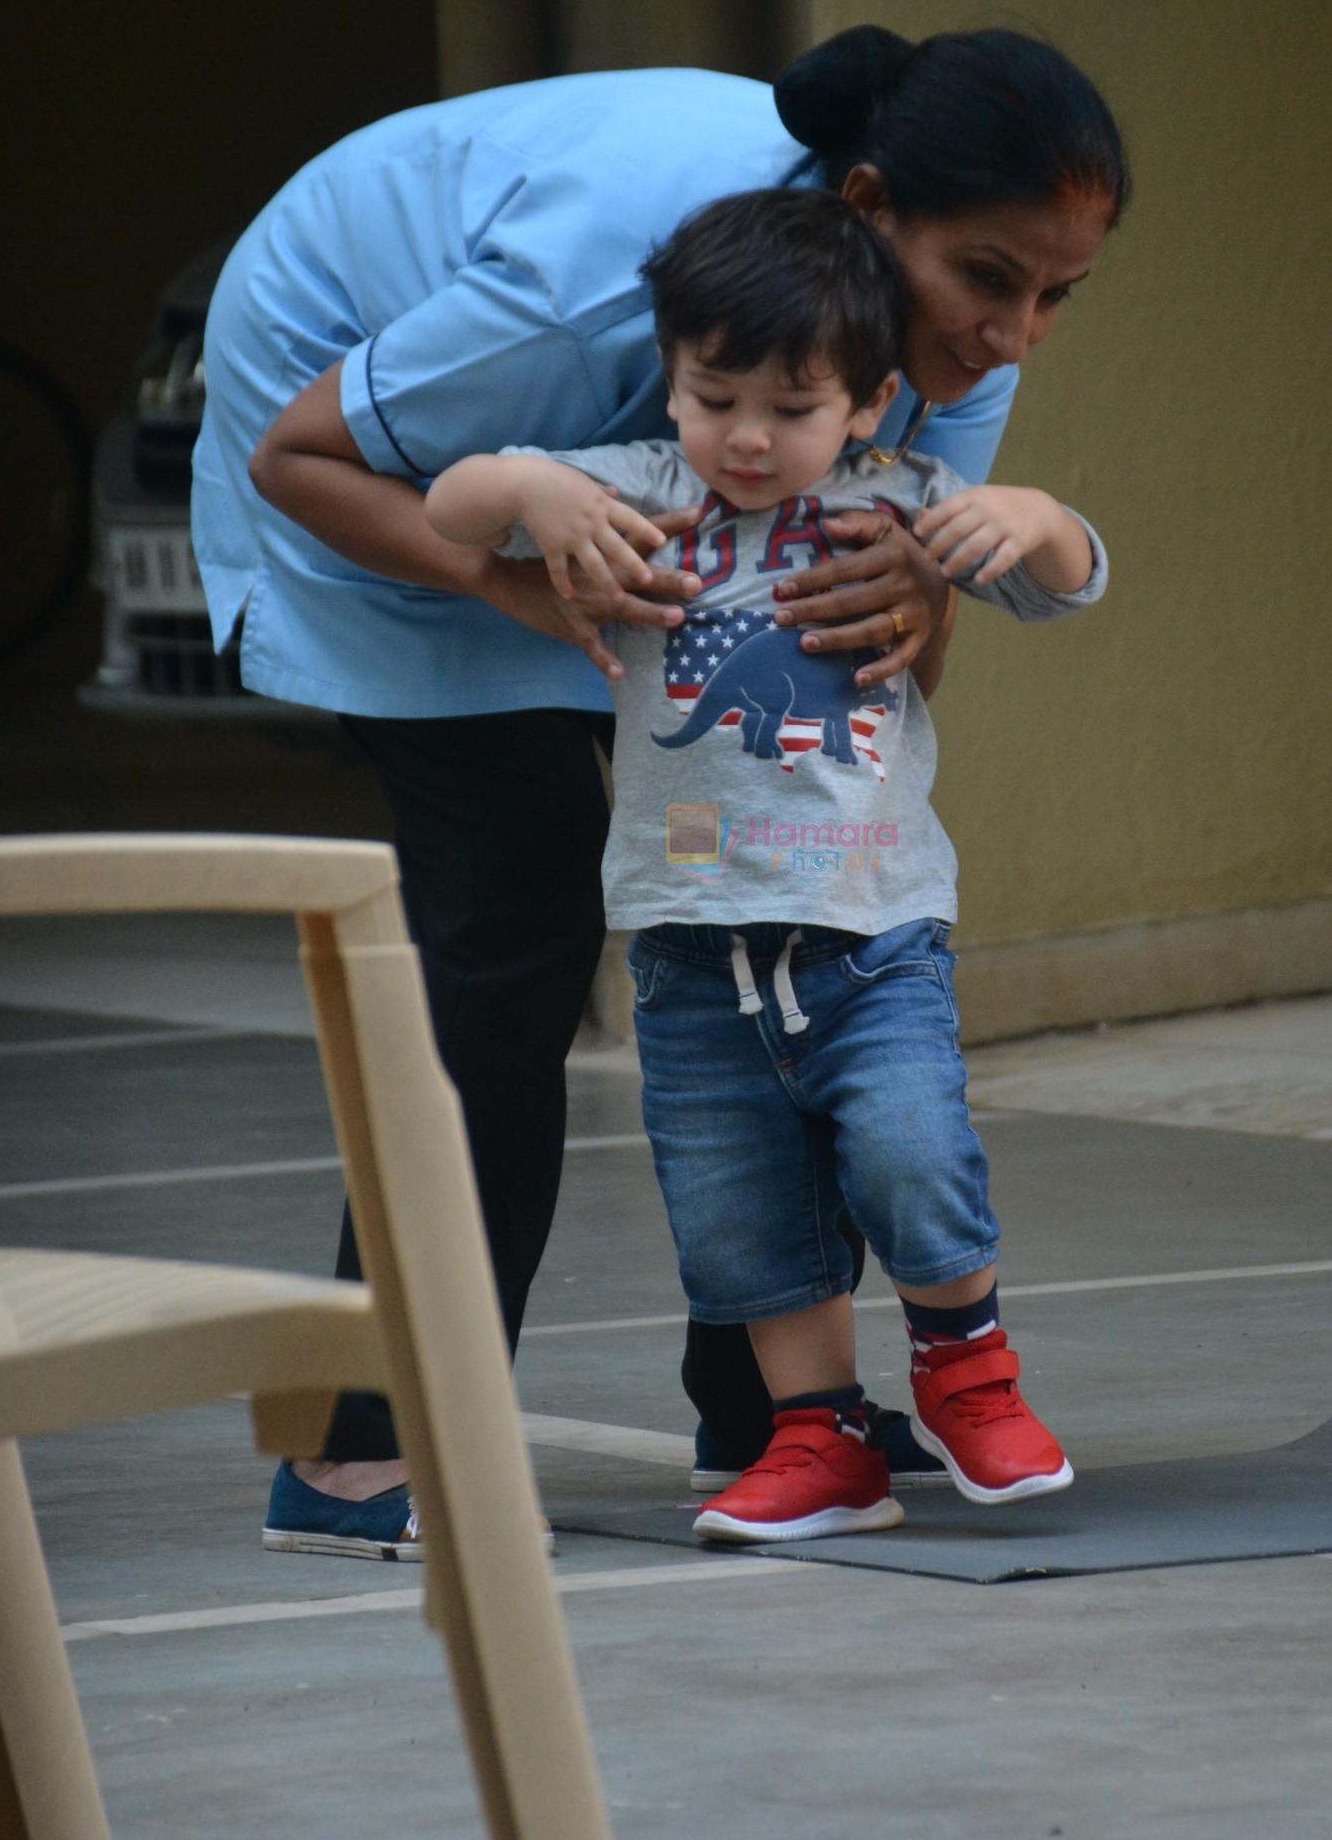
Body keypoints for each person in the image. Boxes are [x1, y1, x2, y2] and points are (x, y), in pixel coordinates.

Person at [193, 25, 1130, 1558]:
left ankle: (780, 1414)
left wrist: (908, 607)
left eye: (1059, 296)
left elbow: (895, 655)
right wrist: (521, 590)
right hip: (380, 449)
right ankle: (360, 1447)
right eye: (991, 279)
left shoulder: (927, 337)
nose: (1018, 334)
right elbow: (303, 456)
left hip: (620, 488)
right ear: (876, 202)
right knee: (518, 917)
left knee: (779, 925)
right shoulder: (580, 295)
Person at [424, 187, 1102, 1540]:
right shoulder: (637, 491)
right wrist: (532, 483)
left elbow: (1070, 576)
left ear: (867, 404)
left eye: (790, 408)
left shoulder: (905, 498)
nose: (743, 436)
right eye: (710, 393)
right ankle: (821, 1441)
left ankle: (971, 1371)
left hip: (871, 930)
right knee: (739, 1216)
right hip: (689, 940)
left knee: (912, 1153)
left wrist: (1027, 514)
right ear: (670, 380)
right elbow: (451, 507)